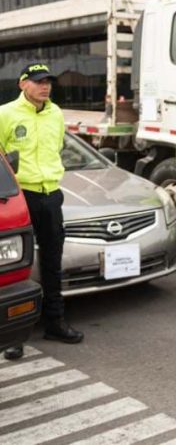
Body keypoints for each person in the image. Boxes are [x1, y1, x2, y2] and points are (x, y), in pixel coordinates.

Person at [0, 62, 84, 361]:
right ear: (23, 84)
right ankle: (13, 336)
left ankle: (55, 322)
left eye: (48, 81)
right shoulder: (5, 113)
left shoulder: (56, 113)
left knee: (52, 262)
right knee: (13, 268)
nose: (45, 86)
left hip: (51, 195)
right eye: (38, 81)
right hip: (20, 198)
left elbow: (57, 148)